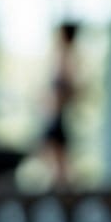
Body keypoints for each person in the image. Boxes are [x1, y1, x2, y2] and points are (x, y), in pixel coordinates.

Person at [41, 22, 80, 188]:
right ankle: (62, 184)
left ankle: (64, 186)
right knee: (55, 154)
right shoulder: (65, 56)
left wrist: (56, 101)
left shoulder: (67, 57)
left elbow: (71, 88)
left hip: (58, 113)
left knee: (56, 154)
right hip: (57, 113)